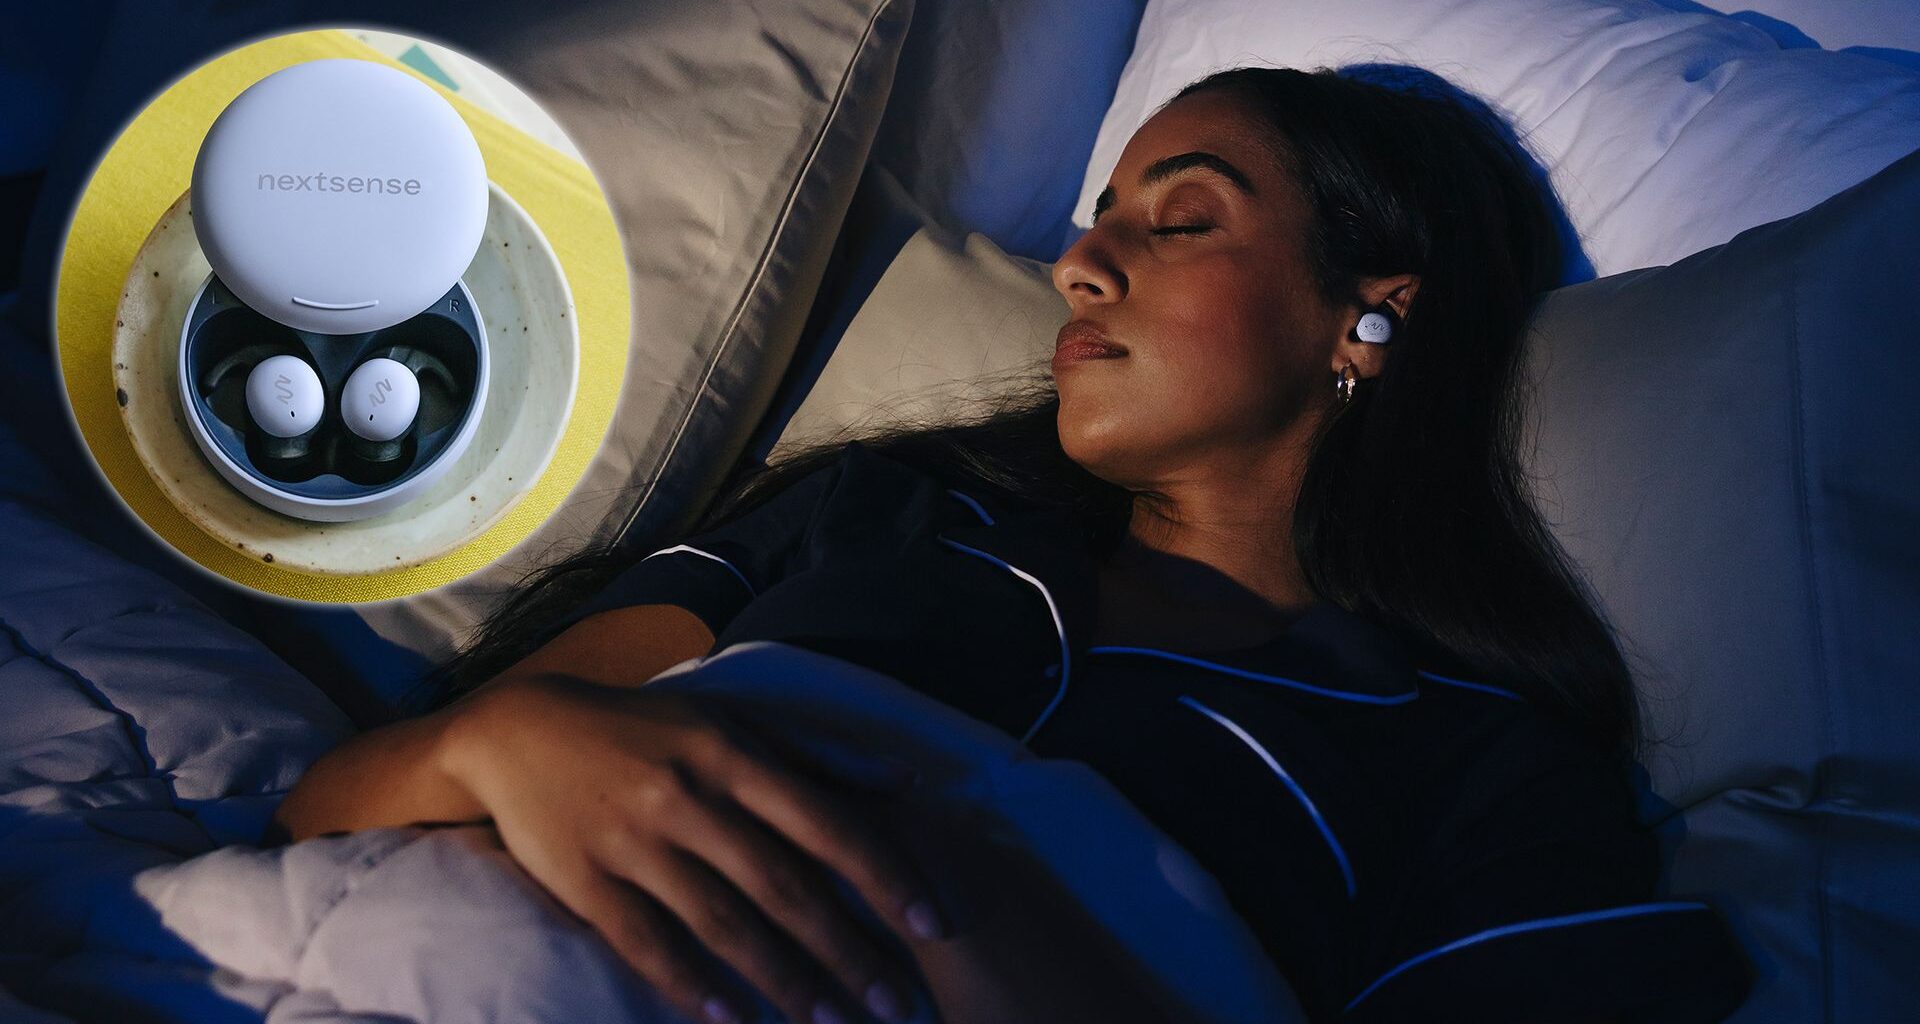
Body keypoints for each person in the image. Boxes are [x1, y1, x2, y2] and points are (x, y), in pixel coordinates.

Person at [270, 64, 1755, 1024]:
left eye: (1180, 222)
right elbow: (321, 809)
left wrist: (939, 884)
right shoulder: (895, 511)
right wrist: (517, 743)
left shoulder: (1485, 766)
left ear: (1371, 318)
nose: (1080, 260)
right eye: (1098, 217)